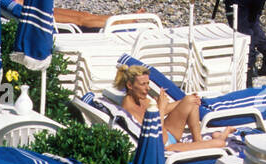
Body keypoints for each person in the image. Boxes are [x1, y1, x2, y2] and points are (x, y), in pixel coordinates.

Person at [95, 64, 234, 154]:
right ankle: (218, 137)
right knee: (220, 143)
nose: (147, 88)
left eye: (148, 83)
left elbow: (164, 110)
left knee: (190, 100)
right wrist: (161, 107)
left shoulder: (140, 98)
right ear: (130, 86)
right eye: (143, 84)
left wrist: (184, 101)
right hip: (165, 146)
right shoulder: (128, 109)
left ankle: (198, 142)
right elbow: (157, 135)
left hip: (168, 133)